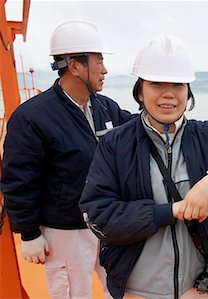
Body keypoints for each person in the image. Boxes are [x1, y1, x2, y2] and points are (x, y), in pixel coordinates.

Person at [78, 34, 208, 299]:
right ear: (140, 91)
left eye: (178, 84)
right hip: (136, 291)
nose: (168, 94)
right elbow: (98, 214)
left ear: (188, 91)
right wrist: (173, 210)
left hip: (197, 289)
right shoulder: (116, 144)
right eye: (156, 83)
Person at [1, 20, 133, 299]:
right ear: (74, 66)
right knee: (74, 295)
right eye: (98, 61)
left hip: (106, 224)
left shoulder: (103, 106)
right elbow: (19, 180)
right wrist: (28, 233)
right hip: (65, 232)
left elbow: (135, 130)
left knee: (121, 289)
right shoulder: (32, 118)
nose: (105, 69)